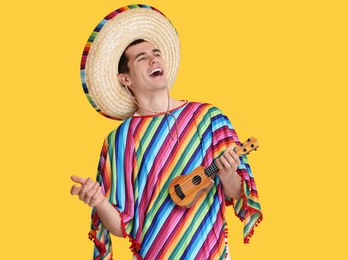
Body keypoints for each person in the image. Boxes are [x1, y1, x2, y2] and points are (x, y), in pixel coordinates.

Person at [71, 5, 262, 260]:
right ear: (124, 79)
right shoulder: (119, 141)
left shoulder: (209, 119)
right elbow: (120, 227)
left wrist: (228, 175)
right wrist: (99, 201)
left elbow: (237, 193)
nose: (154, 60)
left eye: (157, 53)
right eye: (142, 58)